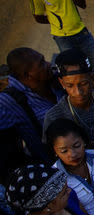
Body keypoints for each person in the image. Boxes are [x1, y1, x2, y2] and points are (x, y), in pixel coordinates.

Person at [0, 48, 65, 180]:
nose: (48, 64)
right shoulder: (8, 101)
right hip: (51, 169)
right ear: (27, 76)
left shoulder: (54, 81)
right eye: (41, 63)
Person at [46, 118, 94, 215]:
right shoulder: (56, 178)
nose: (73, 154)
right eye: (64, 151)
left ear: (83, 141)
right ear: (55, 152)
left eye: (76, 146)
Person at [29, 0, 94, 85]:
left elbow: (83, 5)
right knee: (73, 68)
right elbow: (38, 17)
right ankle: (85, 90)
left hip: (81, 31)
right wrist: (56, 22)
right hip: (62, 38)